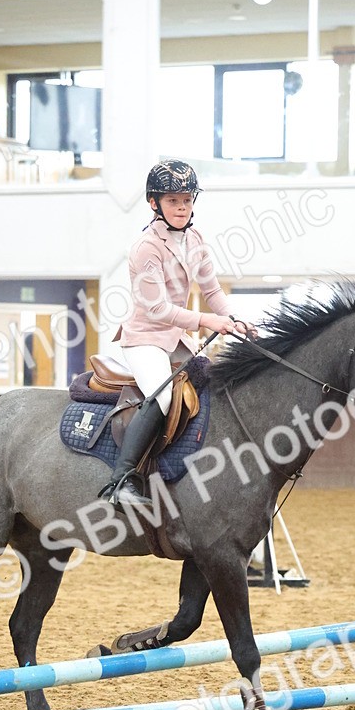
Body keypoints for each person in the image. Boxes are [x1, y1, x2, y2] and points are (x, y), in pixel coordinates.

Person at [99, 159, 246, 507]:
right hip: (146, 338)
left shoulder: (195, 238)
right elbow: (156, 309)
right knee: (163, 396)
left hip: (176, 339)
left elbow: (212, 291)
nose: (181, 208)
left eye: (186, 200)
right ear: (154, 203)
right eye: (172, 201)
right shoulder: (146, 247)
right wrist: (208, 322)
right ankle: (120, 481)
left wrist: (235, 319)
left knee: (211, 392)